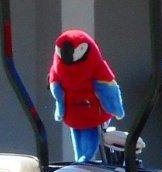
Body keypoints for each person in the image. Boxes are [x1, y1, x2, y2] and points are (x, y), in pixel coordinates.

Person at [48, 29, 124, 162]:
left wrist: (115, 107)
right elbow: (109, 89)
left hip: (89, 114)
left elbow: (108, 88)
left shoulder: (95, 67)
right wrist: (116, 108)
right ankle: (82, 160)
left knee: (88, 138)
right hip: (78, 114)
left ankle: (83, 160)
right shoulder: (59, 68)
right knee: (81, 136)